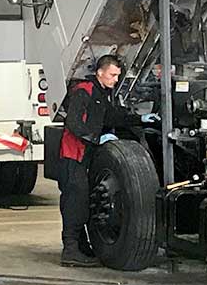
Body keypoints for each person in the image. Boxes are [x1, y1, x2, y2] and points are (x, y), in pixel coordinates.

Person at [57, 55, 160, 267]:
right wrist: (97, 138)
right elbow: (74, 123)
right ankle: (70, 250)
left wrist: (140, 119)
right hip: (72, 154)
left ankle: (81, 245)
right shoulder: (83, 91)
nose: (115, 79)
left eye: (118, 75)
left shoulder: (101, 94)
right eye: (112, 75)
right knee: (75, 201)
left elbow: (112, 117)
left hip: (85, 154)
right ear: (100, 72)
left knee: (83, 201)